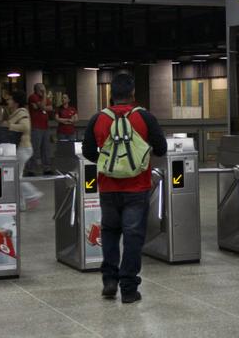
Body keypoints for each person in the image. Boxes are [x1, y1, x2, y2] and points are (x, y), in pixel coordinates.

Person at [82, 73, 166, 304]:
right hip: (137, 187)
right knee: (133, 237)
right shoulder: (144, 117)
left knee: (109, 232)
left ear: (111, 94)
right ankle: (128, 289)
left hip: (108, 187)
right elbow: (161, 148)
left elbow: (88, 152)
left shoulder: (98, 119)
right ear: (132, 94)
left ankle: (109, 280)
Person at [3, 90, 43, 211]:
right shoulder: (15, 112)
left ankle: (33, 194)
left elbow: (25, 127)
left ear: (15, 101)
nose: (7, 101)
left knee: (16, 176)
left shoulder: (22, 112)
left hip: (23, 148)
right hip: (20, 148)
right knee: (15, 176)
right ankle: (21, 204)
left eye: (10, 99)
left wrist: (10, 126)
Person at [25, 83, 53, 175]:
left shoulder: (43, 99)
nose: (43, 92)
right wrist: (44, 99)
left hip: (45, 127)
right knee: (35, 149)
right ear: (37, 90)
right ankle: (31, 169)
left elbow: (50, 108)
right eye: (42, 90)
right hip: (36, 127)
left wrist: (42, 106)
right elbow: (43, 107)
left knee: (46, 149)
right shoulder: (33, 97)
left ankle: (47, 168)